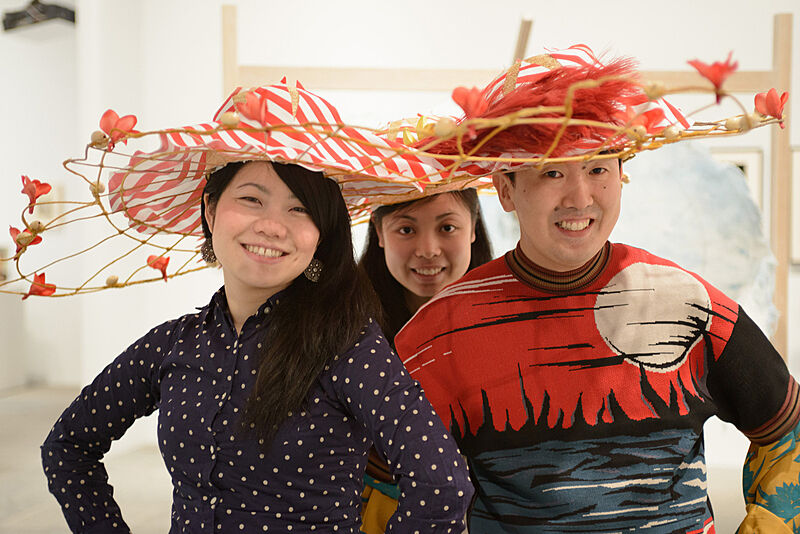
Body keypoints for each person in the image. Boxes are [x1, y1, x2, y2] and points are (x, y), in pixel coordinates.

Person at [393, 46, 800, 532]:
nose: (580, 197)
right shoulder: (436, 334)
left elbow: (787, 435)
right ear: (505, 189)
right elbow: (380, 484)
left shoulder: (691, 304)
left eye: (598, 169)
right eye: (552, 172)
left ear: (622, 177)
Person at [40, 83, 473, 533]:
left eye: (299, 209)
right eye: (251, 199)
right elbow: (67, 446)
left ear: (321, 233)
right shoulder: (173, 344)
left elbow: (442, 485)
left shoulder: (347, 346)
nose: (271, 226)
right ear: (210, 210)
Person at [357, 188, 493, 533]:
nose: (428, 249)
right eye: (406, 229)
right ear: (379, 232)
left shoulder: (509, 318)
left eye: (447, 228)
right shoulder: (346, 328)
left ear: (473, 227)